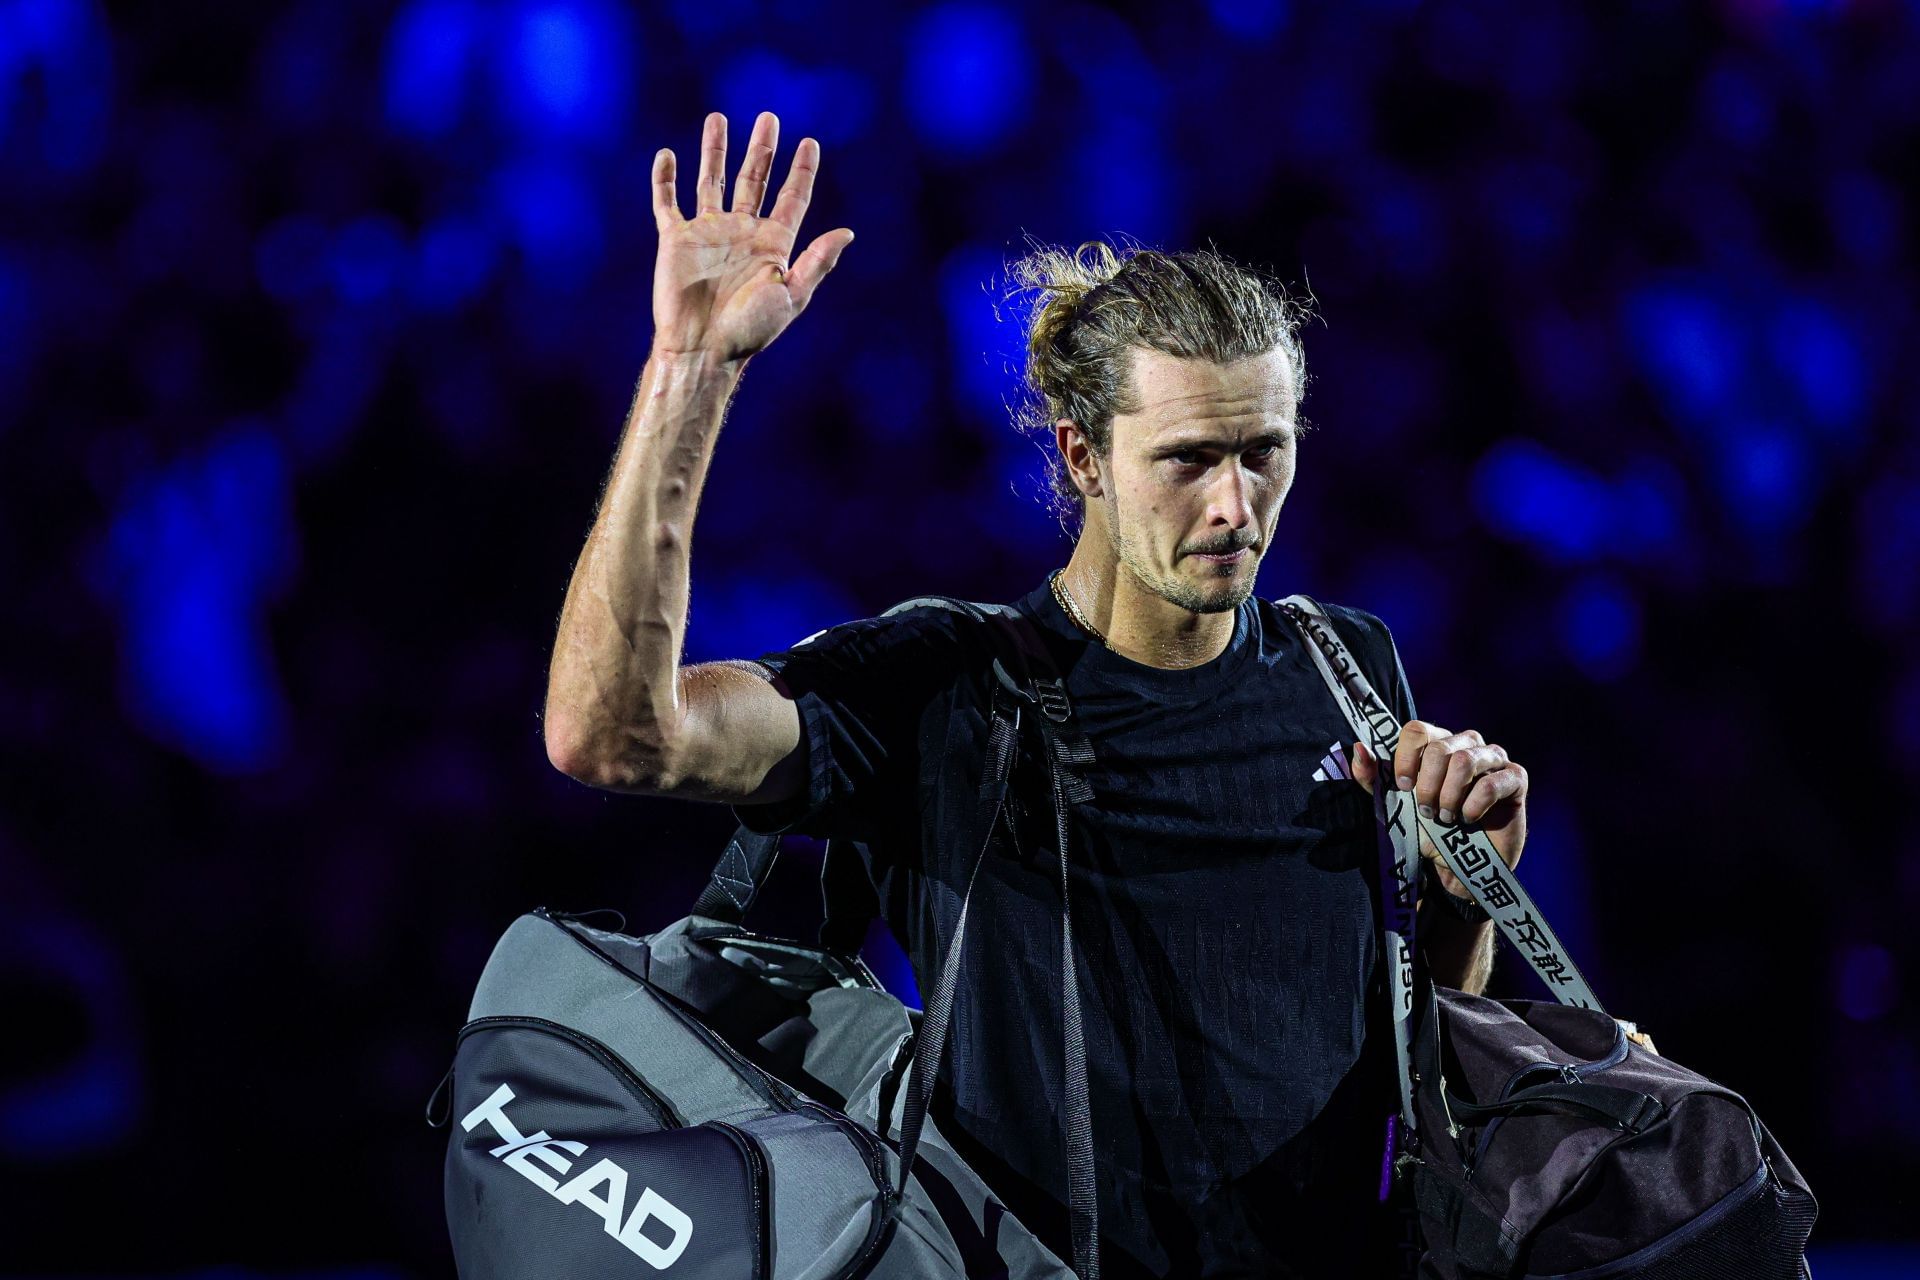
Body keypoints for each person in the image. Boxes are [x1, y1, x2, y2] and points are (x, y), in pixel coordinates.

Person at [543, 109, 1533, 1279]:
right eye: (1188, 459)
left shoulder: (1347, 664)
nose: (1236, 505)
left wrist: (1469, 881)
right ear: (1079, 457)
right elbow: (612, 734)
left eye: (1264, 450)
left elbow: (1410, 1041)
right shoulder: (947, 684)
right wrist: (690, 371)